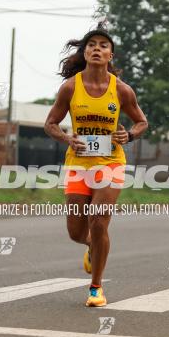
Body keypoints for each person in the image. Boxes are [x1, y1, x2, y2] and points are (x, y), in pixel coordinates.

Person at [44, 27, 148, 307]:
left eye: (103, 45)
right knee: (77, 232)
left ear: (110, 54)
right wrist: (67, 138)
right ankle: (91, 245)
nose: (97, 48)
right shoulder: (70, 88)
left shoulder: (121, 90)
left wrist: (130, 135)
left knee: (99, 222)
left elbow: (141, 121)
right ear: (85, 52)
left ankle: (96, 288)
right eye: (92, 45)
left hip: (111, 163)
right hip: (78, 165)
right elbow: (50, 123)